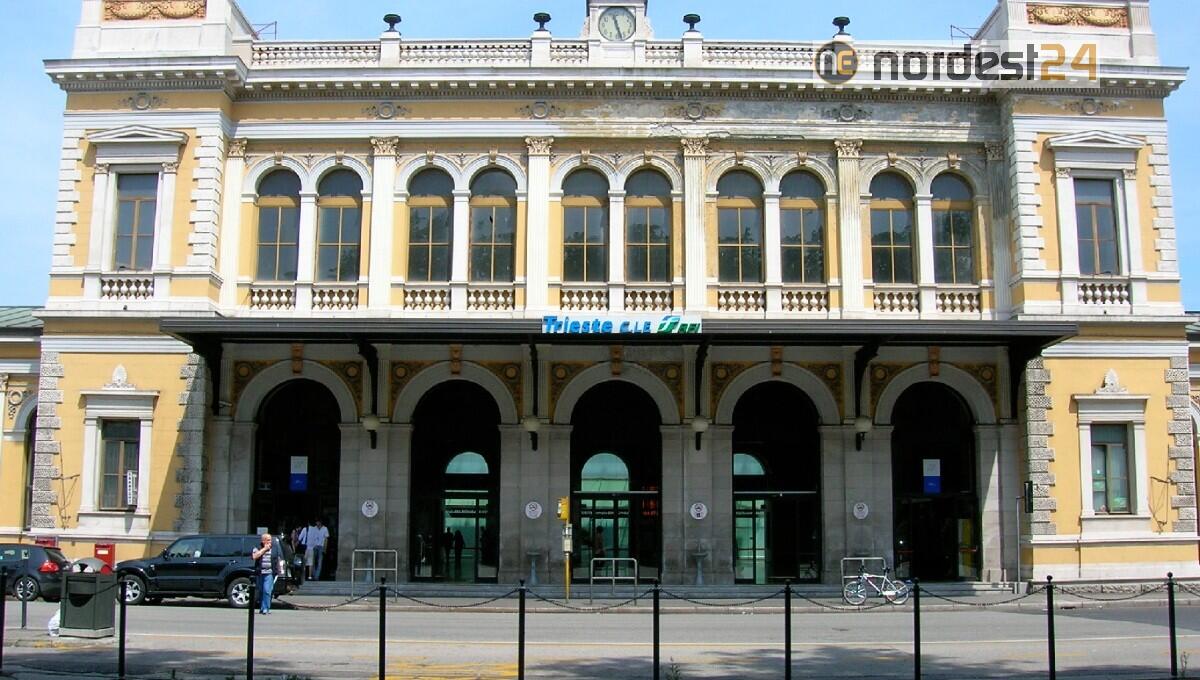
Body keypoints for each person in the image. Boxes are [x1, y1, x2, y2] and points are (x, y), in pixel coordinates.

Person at [251, 532, 283, 615]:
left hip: (270, 572)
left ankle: (266, 608)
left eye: (270, 540)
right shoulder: (257, 547)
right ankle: (262, 607)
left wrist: (280, 570)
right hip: (260, 572)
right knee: (261, 591)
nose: (269, 542)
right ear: (263, 541)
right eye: (267, 540)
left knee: (267, 590)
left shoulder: (275, 548)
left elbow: (278, 559)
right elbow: (254, 556)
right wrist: (264, 549)